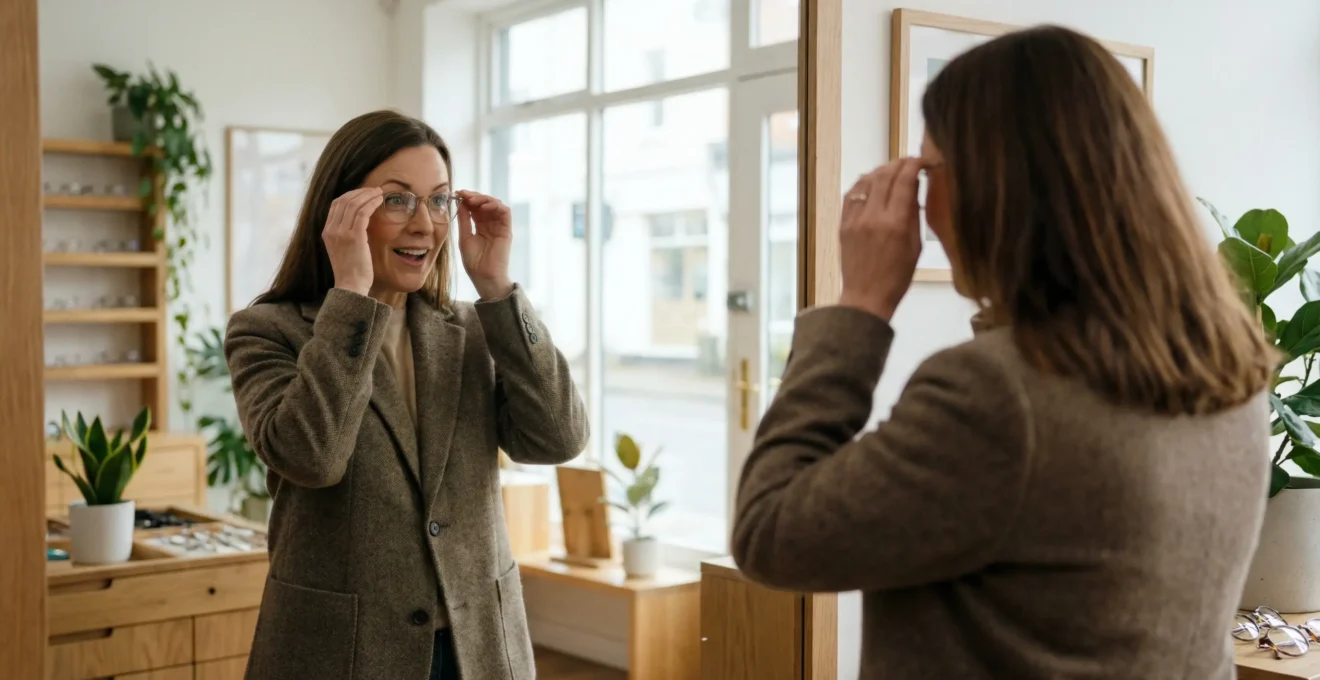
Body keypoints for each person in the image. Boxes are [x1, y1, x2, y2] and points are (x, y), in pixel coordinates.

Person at [732, 25, 1275, 680]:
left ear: (997, 185)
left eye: (928, 174)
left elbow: (770, 534)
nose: (923, 212)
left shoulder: (999, 396)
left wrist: (860, 305)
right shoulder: (1228, 369)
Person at [225, 110, 588, 680]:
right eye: (397, 200)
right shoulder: (269, 330)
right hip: (342, 655)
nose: (426, 224)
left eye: (439, 200)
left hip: (479, 649)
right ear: (343, 212)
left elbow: (558, 438)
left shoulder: (469, 328)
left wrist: (498, 288)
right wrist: (351, 294)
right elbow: (311, 458)